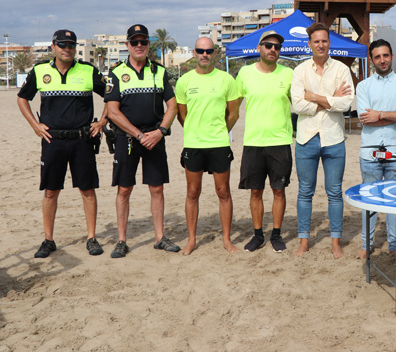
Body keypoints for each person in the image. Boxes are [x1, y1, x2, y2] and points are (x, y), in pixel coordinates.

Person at [17, 29, 108, 258]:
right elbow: (22, 98)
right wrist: (35, 125)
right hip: (53, 140)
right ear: (53, 47)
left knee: (87, 190)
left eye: (71, 45)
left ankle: (91, 237)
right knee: (50, 191)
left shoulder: (88, 70)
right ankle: (48, 240)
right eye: (62, 45)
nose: (67, 49)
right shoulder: (40, 71)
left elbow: (111, 96)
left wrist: (102, 122)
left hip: (82, 140)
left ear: (75, 48)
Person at [105, 24, 180, 258]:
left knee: (157, 188)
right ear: (127, 45)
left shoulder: (159, 72)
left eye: (143, 42)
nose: (139, 46)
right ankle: (121, 240)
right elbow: (112, 111)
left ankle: (159, 238)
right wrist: (138, 135)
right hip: (127, 139)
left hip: (155, 139)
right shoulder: (116, 73)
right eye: (135, 42)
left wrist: (160, 131)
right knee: (124, 189)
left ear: (149, 45)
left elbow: (172, 106)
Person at [291, 22, 354, 258]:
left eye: (324, 41)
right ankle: (304, 241)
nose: (320, 45)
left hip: (334, 138)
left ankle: (335, 242)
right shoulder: (300, 70)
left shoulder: (341, 69)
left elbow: (346, 103)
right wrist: (330, 100)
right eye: (316, 41)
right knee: (305, 191)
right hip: (306, 138)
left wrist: (314, 97)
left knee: (335, 192)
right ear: (309, 44)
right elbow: (298, 105)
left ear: (329, 43)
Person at [175, 37, 240, 255]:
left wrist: (221, 131)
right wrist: (194, 131)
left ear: (214, 53)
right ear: (194, 53)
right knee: (193, 192)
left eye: (209, 51)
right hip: (193, 144)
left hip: (219, 144)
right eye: (201, 51)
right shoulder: (184, 81)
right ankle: (191, 240)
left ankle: (227, 239)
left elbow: (233, 113)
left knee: (223, 192)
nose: (205, 54)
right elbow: (182, 116)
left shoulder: (226, 79)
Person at [356, 39, 396, 259]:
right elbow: (366, 120)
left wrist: (380, 114)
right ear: (371, 60)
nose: (382, 60)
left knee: (395, 199)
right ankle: (366, 244)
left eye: (385, 55)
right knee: (369, 200)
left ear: (392, 56)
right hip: (369, 151)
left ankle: (393, 243)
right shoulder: (363, 86)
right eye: (377, 57)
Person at [236, 30, 294, 253]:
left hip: (280, 142)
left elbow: (301, 103)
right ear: (259, 48)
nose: (273, 49)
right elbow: (232, 106)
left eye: (277, 47)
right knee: (255, 192)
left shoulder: (288, 74)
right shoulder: (245, 73)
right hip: (253, 142)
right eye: (268, 45)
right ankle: (258, 235)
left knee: (279, 191)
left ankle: (276, 235)